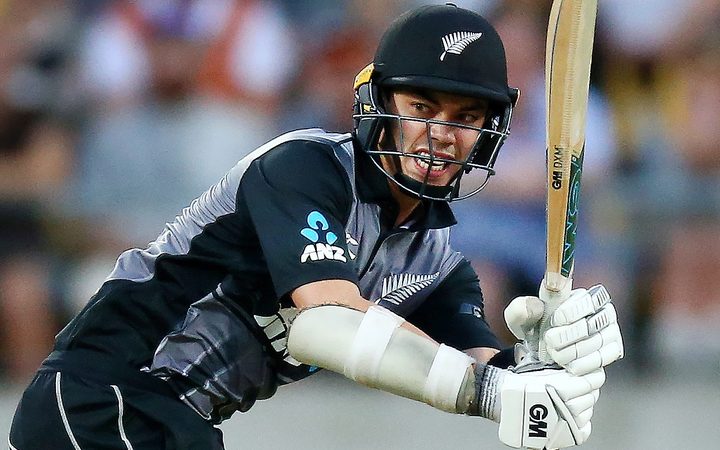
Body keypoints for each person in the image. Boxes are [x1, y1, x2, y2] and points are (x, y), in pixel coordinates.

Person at [9, 4, 624, 450]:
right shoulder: (303, 166)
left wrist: (550, 368)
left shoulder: (435, 260)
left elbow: (485, 368)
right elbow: (323, 326)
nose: (441, 134)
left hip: (176, 424)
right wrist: (493, 394)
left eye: (466, 115)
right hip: (100, 398)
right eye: (421, 108)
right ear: (378, 106)